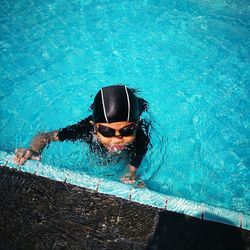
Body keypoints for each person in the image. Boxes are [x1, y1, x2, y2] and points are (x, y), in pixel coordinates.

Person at [14, 85, 150, 185]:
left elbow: (137, 157)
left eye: (127, 130)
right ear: (95, 127)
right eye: (107, 131)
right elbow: (44, 136)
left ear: (136, 124)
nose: (117, 139)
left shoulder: (140, 136)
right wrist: (33, 150)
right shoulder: (85, 130)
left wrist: (130, 173)